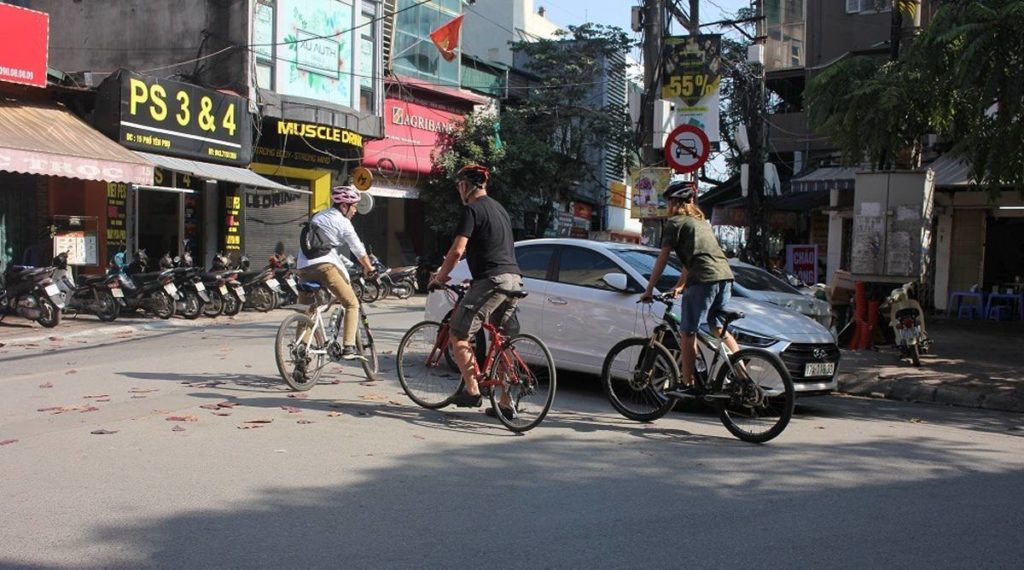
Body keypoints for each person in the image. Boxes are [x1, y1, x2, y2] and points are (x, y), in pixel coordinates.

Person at [428, 164, 523, 414]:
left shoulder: (471, 210)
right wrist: (477, 279)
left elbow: (457, 250)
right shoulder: (500, 209)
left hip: (492, 280)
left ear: (465, 186)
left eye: (459, 185)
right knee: (503, 341)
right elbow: (495, 248)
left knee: (458, 335)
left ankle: (472, 391)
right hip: (513, 278)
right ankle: (505, 403)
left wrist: (441, 276)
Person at [640, 180, 740, 395]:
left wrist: (649, 289)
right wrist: (680, 287)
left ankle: (687, 383)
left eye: (668, 201)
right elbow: (693, 260)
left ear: (673, 202)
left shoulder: (674, 223)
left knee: (687, 331)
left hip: (703, 279)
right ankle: (741, 373)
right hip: (725, 277)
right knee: (716, 325)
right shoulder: (702, 223)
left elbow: (663, 258)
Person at [297, 185, 376, 360]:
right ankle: (349, 347)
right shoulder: (343, 222)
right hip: (325, 266)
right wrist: (369, 267)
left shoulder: (318, 216)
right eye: (353, 206)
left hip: (302, 267)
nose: (355, 210)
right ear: (344, 206)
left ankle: (300, 355)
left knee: (307, 311)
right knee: (351, 303)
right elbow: (358, 248)